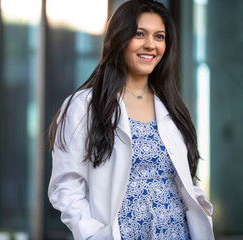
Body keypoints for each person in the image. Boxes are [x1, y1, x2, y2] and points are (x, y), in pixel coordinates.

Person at [47, 0, 214, 239]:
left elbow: (181, 179)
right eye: (139, 34)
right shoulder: (84, 106)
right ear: (119, 38)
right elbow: (65, 187)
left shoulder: (172, 106)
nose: (150, 45)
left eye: (159, 36)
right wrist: (93, 235)